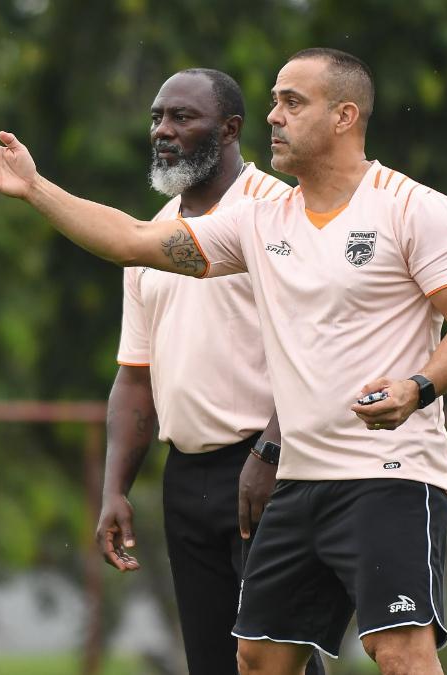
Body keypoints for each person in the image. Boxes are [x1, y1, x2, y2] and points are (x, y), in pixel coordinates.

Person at [0, 48, 447, 674]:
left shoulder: (412, 207)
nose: (273, 116)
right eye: (273, 101)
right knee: (257, 661)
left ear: (346, 116)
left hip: (391, 475)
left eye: (292, 102)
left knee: (400, 652)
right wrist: (34, 188)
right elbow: (132, 240)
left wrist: (416, 386)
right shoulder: (259, 221)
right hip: (302, 481)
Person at [95, 68, 321, 674]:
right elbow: (134, 377)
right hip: (187, 478)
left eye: (182, 118)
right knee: (214, 663)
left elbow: (321, 352)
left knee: (275, 658)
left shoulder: (281, 212)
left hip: (274, 465)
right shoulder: (149, 238)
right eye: (156, 118)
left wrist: (272, 450)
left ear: (231, 129)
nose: (163, 131)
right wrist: (115, 487)